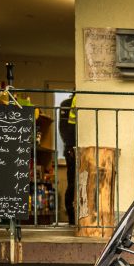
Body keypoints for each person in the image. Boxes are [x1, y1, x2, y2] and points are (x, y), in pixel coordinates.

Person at [57, 94, 77, 225]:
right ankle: (71, 218)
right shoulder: (67, 103)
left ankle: (75, 218)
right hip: (71, 149)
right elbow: (64, 128)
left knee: (76, 184)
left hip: (78, 148)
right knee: (72, 184)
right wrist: (70, 146)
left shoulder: (73, 102)